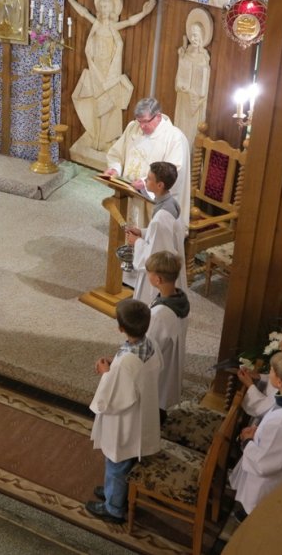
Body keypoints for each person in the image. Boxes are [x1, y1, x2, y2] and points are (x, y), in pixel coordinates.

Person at [87, 298, 162, 524]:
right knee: (124, 462)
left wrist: (105, 372)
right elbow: (137, 371)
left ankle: (114, 508)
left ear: (121, 328)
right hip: (142, 411)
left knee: (116, 461)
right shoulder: (150, 344)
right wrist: (115, 363)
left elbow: (112, 397)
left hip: (125, 420)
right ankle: (114, 492)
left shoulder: (126, 363)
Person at [64, 0, 156, 155]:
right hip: (96, 70)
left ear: (112, 9)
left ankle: (106, 139)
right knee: (95, 103)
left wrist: (144, 13)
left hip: (109, 71)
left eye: (107, 6)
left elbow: (130, 21)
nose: (104, 9)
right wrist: (71, 1)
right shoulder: (97, 24)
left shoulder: (113, 27)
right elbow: (83, 13)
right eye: (102, 6)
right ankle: (96, 137)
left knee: (108, 104)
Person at [229, 352, 282, 518]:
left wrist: (247, 440)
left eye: (272, 371)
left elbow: (263, 463)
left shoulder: (281, 421)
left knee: (256, 508)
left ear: (279, 382)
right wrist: (259, 431)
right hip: (280, 456)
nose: (269, 374)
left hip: (267, 478)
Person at [105, 97, 191, 226]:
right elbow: (117, 153)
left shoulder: (174, 137)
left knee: (151, 233)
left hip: (154, 200)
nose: (142, 126)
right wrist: (115, 169)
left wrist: (146, 183)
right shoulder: (133, 127)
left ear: (158, 116)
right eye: (139, 121)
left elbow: (174, 171)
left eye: (145, 121)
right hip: (129, 192)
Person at [125, 161, 188, 303]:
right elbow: (163, 234)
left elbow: (155, 255)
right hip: (170, 265)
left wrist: (137, 242)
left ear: (160, 185)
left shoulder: (161, 217)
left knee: (149, 306)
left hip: (160, 278)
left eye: (148, 179)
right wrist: (141, 232)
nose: (145, 180)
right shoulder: (171, 202)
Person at [144, 251, 190, 420]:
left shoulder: (159, 314)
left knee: (154, 400)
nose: (147, 276)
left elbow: (148, 346)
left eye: (149, 273)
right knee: (163, 392)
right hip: (170, 358)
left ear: (157, 279)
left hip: (159, 365)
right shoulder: (180, 297)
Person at [174, 8, 212, 145]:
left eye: (196, 35)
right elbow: (180, 75)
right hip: (183, 98)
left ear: (202, 36)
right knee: (180, 126)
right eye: (192, 36)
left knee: (191, 132)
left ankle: (189, 153)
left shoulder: (204, 58)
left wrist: (197, 95)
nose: (194, 39)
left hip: (195, 102)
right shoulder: (186, 54)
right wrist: (181, 58)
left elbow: (203, 85)